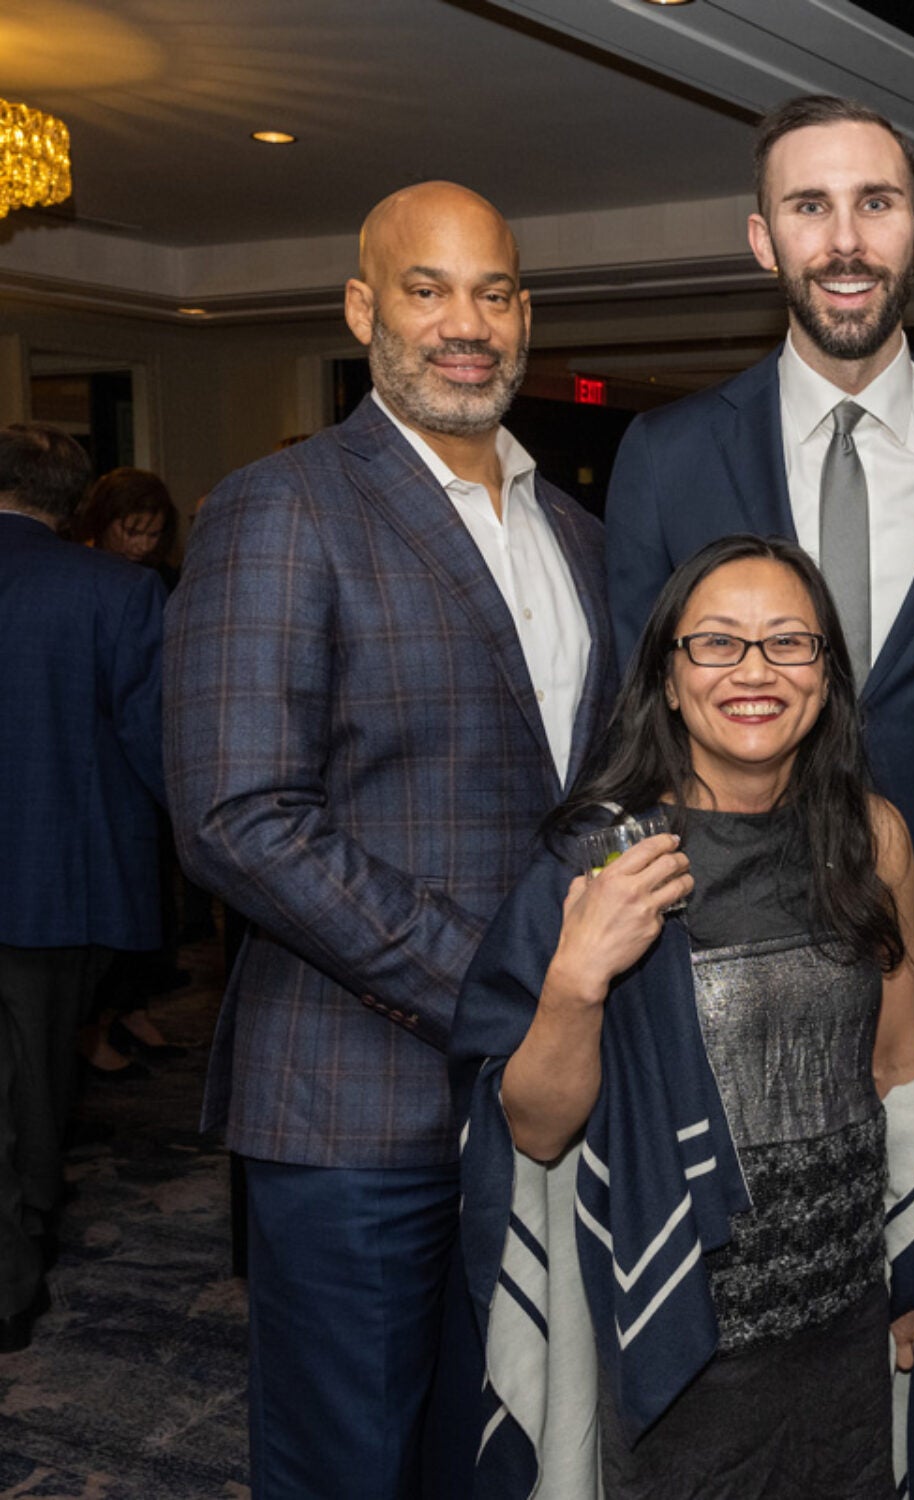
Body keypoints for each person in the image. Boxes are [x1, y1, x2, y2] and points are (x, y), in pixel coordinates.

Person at [165, 182, 622, 1498]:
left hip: (544, 1100)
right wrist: (508, 983)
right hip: (350, 1104)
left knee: (499, 1451)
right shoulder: (285, 504)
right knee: (347, 1467)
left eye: (494, 293)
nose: (466, 324)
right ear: (365, 309)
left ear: (526, 317)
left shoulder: (577, 532)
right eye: (429, 290)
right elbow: (239, 817)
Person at [453, 536, 914, 1500]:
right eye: (719, 643)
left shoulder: (874, 837)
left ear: (826, 674)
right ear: (668, 675)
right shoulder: (606, 858)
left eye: (788, 642)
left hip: (843, 1320)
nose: (755, 671)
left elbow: (899, 1068)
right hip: (680, 1329)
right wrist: (575, 979)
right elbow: (536, 1128)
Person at [604, 94, 914, 1082]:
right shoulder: (667, 455)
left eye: (876, 203)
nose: (846, 241)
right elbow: (635, 712)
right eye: (810, 206)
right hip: (722, 926)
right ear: (763, 240)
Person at [0, 423, 167, 1351]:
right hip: (52, 879)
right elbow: (152, 739)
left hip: (47, 874)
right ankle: (17, 1261)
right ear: (75, 504)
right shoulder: (116, 589)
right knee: (36, 1076)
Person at [73, 467, 190, 1072]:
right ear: (104, 522)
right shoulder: (88, 576)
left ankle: (131, 1010)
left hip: (147, 755)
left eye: (153, 533)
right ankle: (98, 1027)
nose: (142, 544)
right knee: (116, 904)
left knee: (154, 901)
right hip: (114, 762)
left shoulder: (161, 580)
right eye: (132, 529)